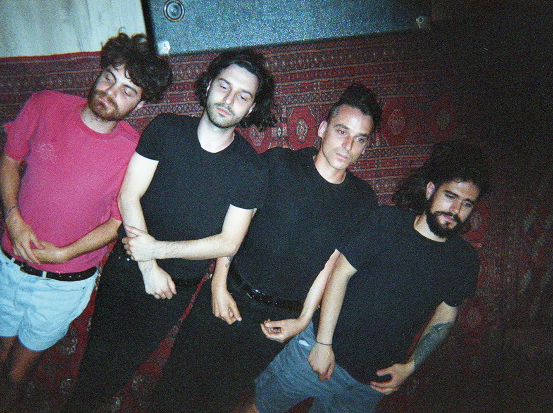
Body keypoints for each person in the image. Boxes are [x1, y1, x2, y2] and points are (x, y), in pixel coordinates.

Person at [62, 49, 278, 413]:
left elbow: (229, 242)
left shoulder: (252, 169)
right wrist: (148, 265)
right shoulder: (165, 129)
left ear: (252, 107)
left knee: (117, 373)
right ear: (208, 86)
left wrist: (157, 251)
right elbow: (129, 195)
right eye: (224, 86)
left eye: (243, 96)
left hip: (173, 288)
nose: (229, 100)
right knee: (94, 366)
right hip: (128, 267)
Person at [152, 83, 382, 413]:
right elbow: (234, 225)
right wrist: (218, 285)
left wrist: (303, 319)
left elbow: (330, 264)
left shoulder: (362, 200)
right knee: (173, 389)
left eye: (359, 139)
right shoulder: (278, 164)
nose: (347, 145)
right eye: (341, 131)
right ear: (322, 129)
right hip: (229, 293)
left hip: (275, 323)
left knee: (221, 401)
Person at [0, 33, 172, 412]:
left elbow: (118, 223)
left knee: (16, 375)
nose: (111, 93)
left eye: (127, 91)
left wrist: (64, 253)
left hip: (62, 284)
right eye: (109, 78)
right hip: (9, 266)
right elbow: (9, 159)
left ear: (140, 103)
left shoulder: (135, 154)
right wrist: (13, 219)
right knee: (1, 361)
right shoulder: (45, 104)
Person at [249, 140, 490, 413]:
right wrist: (323, 343)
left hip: (373, 380)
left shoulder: (464, 261)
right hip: (320, 349)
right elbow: (339, 275)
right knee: (259, 407)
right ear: (430, 191)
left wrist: (410, 366)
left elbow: (445, 317)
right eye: (450, 196)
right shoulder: (386, 222)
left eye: (467, 204)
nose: (455, 210)